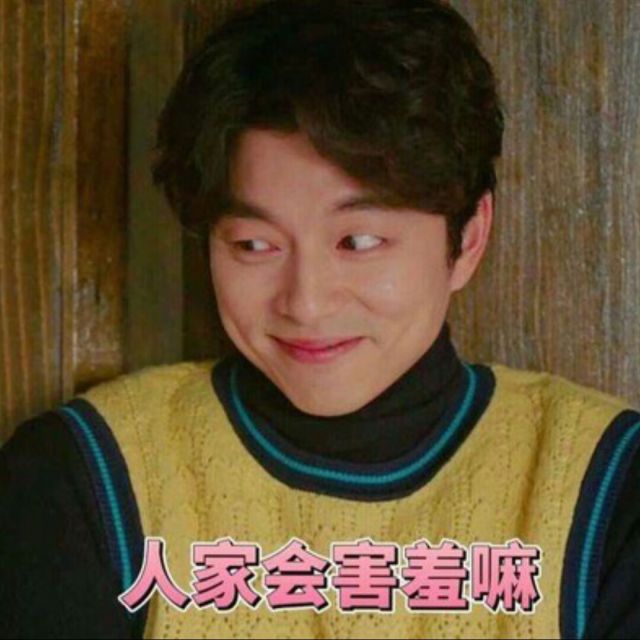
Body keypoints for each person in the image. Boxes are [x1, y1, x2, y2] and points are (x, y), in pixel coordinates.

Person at [1, 1, 638, 638]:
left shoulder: (608, 485)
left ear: (468, 238)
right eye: (255, 245)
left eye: (358, 242)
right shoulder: (83, 479)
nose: (305, 303)